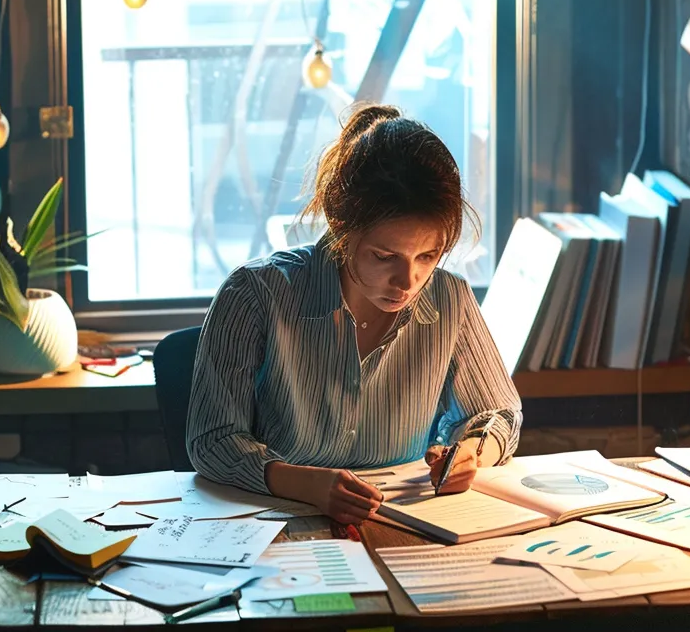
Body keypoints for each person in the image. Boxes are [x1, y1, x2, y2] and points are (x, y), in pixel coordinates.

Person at [185, 104, 523, 525]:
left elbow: (499, 415)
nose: (409, 280)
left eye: (428, 255)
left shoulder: (449, 298)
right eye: (385, 256)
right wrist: (308, 484)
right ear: (342, 226)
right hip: (275, 523)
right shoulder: (256, 295)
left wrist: (472, 453)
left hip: (402, 523)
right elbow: (213, 441)